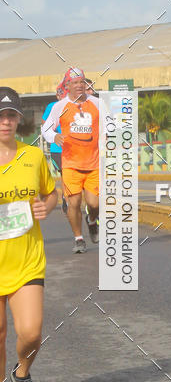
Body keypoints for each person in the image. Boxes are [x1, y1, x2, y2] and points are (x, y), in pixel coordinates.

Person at [0, 87, 57, 382]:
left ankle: (22, 373)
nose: (5, 121)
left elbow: (52, 193)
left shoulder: (33, 157)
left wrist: (44, 206)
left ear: (19, 120)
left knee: (31, 331)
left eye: (10, 115)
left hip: (27, 259)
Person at [42, 67, 106, 254]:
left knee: (94, 204)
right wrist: (54, 137)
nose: (79, 86)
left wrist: (107, 138)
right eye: (75, 82)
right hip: (70, 163)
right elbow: (46, 129)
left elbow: (109, 124)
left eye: (82, 82)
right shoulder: (59, 107)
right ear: (67, 85)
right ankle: (78, 238)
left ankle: (92, 221)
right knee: (74, 203)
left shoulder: (97, 103)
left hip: (93, 163)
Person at [41, 80, 68, 214]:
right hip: (58, 149)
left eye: (63, 93)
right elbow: (44, 124)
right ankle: (66, 198)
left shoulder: (74, 105)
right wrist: (55, 133)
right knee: (66, 173)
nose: (61, 96)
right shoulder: (52, 106)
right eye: (59, 93)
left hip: (76, 148)